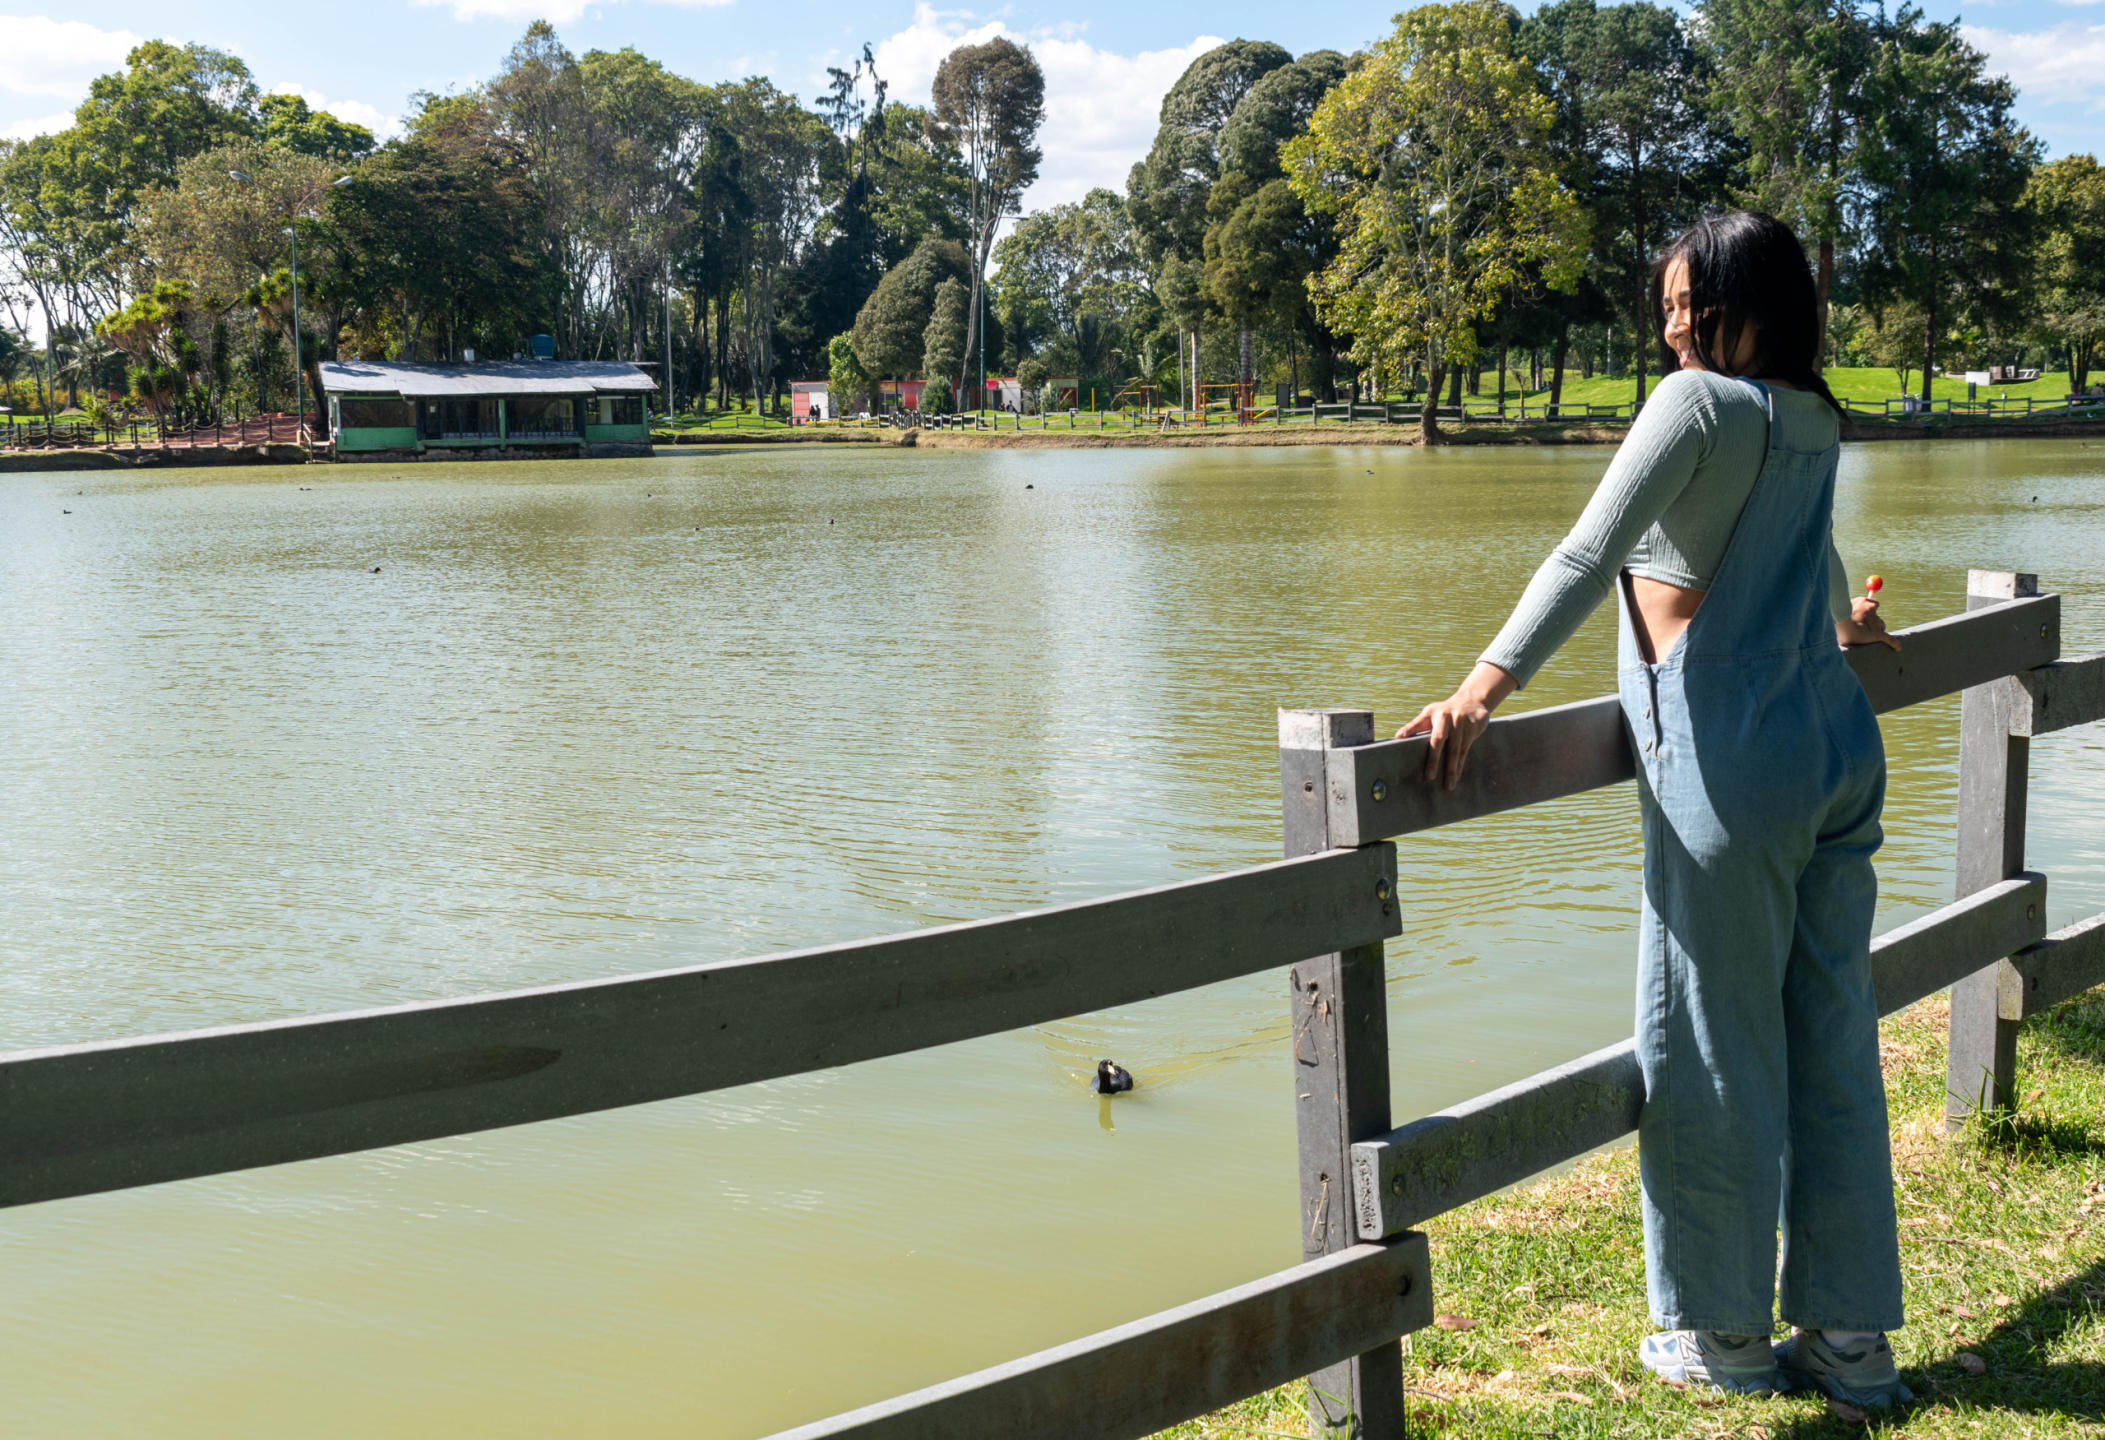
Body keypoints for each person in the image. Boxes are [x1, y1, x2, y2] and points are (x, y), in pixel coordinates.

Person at [1401, 211, 1913, 1409]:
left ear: (1758, 307)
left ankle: (1722, 1336)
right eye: (1668, 306)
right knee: (1831, 1037)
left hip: (1730, 756)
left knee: (1708, 1046)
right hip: (1832, 741)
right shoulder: (1811, 416)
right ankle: (1849, 1344)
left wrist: (1480, 690)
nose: (1676, 328)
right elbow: (1803, 548)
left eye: (1697, 304)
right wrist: (1847, 626)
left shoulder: (1692, 408)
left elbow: (1587, 554)